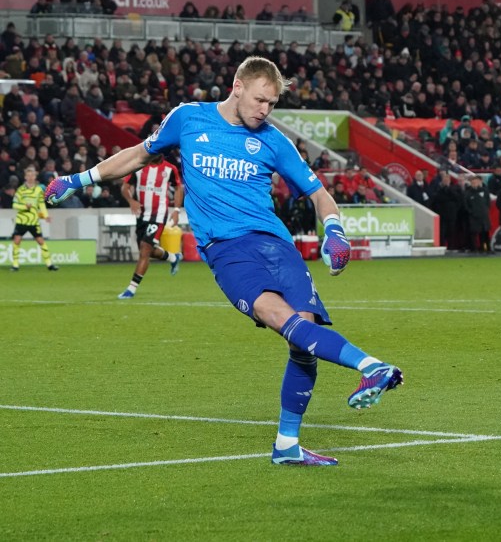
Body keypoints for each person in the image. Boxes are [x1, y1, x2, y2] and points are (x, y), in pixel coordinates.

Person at [46, 56, 403, 466]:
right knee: (281, 318)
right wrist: (80, 179)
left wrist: (335, 232)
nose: (265, 110)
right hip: (228, 252)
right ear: (237, 86)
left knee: (303, 340)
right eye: (260, 100)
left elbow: (319, 194)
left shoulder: (272, 140)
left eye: (272, 104)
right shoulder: (188, 119)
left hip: (276, 245)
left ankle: (287, 445)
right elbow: (140, 155)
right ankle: (371, 365)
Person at [117, 153, 185, 298]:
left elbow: (179, 188)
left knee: (144, 250)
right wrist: (130, 200)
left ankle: (131, 289)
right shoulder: (139, 167)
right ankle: (173, 258)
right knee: (148, 251)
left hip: (158, 215)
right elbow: (125, 187)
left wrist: (177, 210)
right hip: (141, 215)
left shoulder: (170, 169)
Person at [10, 166, 58, 272]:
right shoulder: (20, 190)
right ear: (25, 177)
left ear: (35, 176)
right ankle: (15, 265)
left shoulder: (38, 190)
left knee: (41, 241)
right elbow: (14, 205)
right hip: (21, 220)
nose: (31, 177)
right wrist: (24, 207)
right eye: (29, 175)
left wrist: (46, 216)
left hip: (33, 221)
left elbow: (41, 205)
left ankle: (49, 264)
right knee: (17, 241)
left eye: (33, 175)